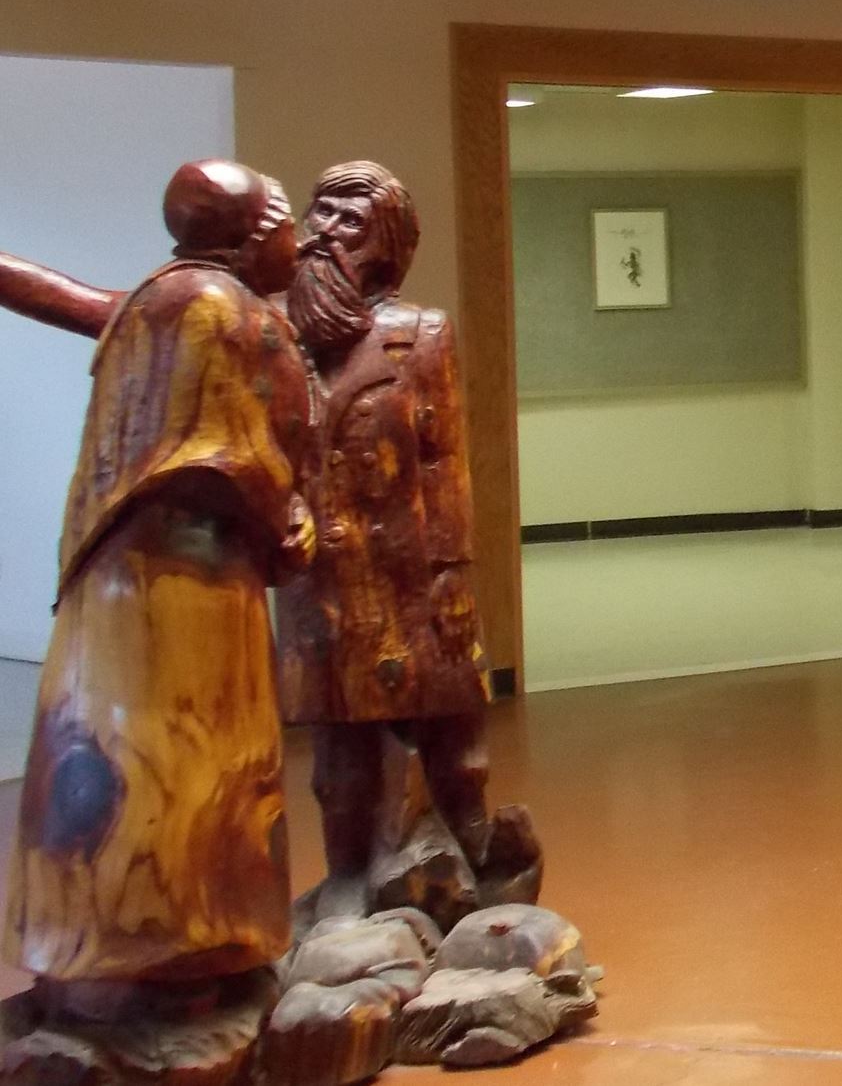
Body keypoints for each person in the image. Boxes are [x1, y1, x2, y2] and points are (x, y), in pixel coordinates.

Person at [0, 161, 315, 1005]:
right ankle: (163, 952)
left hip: (181, 580)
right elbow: (215, 451)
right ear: (253, 235)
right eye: (291, 220)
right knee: (169, 773)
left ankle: (162, 951)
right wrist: (283, 515)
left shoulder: (171, 299)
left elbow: (65, 298)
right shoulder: (209, 306)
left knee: (159, 769)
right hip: (178, 587)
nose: (304, 238)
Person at [274, 161, 527, 921]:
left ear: (385, 244)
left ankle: (466, 859)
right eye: (319, 214)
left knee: (445, 725)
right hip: (320, 577)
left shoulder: (419, 335)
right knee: (338, 745)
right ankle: (351, 872)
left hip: (411, 571)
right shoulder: (281, 336)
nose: (323, 232)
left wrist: (452, 571)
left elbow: (445, 460)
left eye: (347, 221)